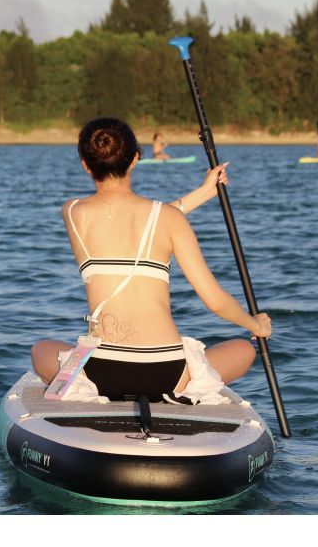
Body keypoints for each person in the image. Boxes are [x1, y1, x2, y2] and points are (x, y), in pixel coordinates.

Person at [31, 117, 272, 403]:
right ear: (135, 159)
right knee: (244, 349)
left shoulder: (72, 212)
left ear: (85, 163)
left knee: (41, 349)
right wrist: (257, 326)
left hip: (102, 374)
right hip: (167, 373)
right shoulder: (171, 220)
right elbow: (215, 301)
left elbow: (130, 222)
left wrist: (201, 194)